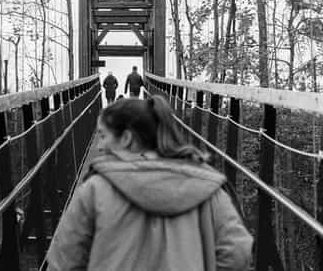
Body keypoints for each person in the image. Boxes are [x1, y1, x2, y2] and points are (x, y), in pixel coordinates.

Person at [46, 96, 253, 271]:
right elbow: (237, 252)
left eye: (103, 135)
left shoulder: (94, 190)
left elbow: (63, 261)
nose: (99, 146)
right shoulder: (207, 187)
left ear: (127, 138)